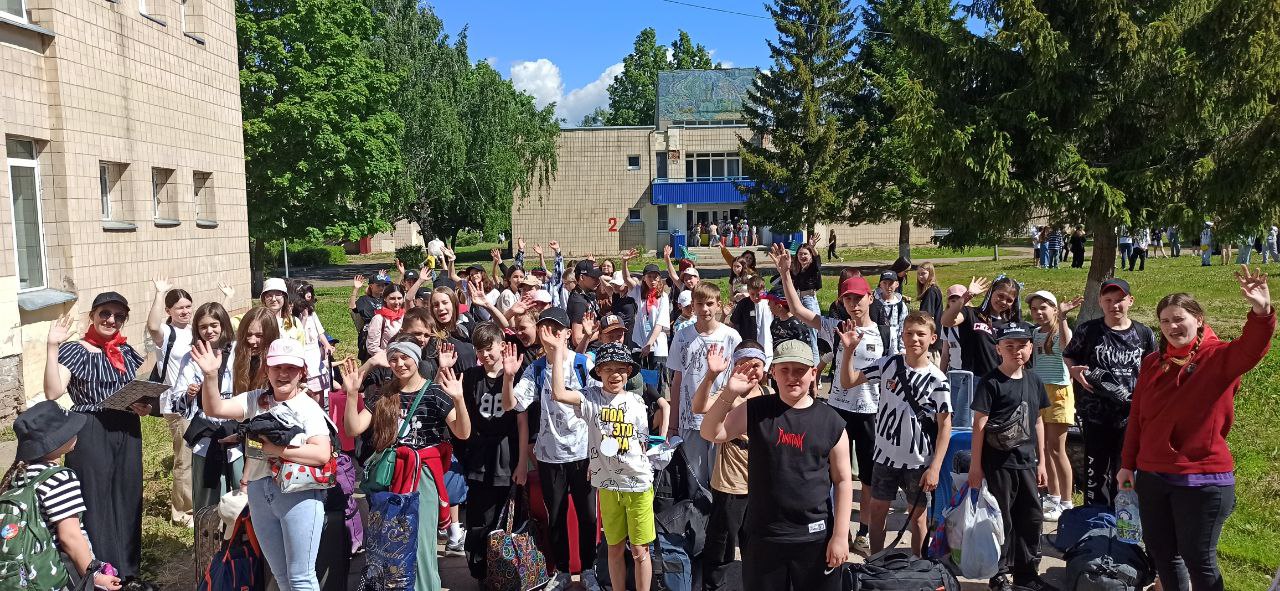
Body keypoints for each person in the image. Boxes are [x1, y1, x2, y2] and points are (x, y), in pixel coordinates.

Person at [1118, 268, 1273, 591]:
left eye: (1179, 319)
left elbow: (1252, 347)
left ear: (1199, 319)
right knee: (1163, 554)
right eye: (1165, 321)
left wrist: (1261, 312)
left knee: (1198, 558)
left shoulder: (1218, 358)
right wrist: (1127, 465)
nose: (1172, 327)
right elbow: (1138, 417)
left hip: (1202, 479)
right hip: (1152, 475)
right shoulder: (1152, 363)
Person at [700, 339, 851, 591]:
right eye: (785, 369)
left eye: (800, 370)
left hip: (814, 536)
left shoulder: (831, 421)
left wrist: (840, 535)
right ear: (773, 372)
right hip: (763, 535)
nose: (792, 377)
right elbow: (710, 432)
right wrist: (729, 392)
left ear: (813, 373)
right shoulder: (756, 409)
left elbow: (843, 480)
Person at [191, 338, 332, 591]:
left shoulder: (307, 407)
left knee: (301, 577)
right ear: (267, 369)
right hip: (259, 492)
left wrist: (275, 450)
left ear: (302, 372)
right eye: (277, 367)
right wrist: (211, 375)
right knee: (281, 575)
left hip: (298, 495)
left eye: (290, 368)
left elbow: (322, 453)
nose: (283, 374)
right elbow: (215, 408)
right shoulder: (256, 400)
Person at [773, 244, 883, 552]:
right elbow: (799, 310)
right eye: (848, 298)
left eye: (858, 298)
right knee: (834, 472)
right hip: (837, 410)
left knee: (868, 477)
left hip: (871, 411)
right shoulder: (837, 327)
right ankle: (837, 528)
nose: (853, 304)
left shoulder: (885, 334)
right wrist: (785, 273)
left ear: (870, 298)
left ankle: (863, 531)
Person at [43, 292, 156, 589]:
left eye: (119, 316)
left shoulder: (124, 350)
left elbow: (133, 390)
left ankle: (128, 572)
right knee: (95, 499)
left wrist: (142, 406)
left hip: (127, 427)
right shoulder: (75, 350)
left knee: (128, 495)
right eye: (105, 313)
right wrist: (52, 346)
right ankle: (100, 572)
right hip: (91, 428)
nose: (111, 320)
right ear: (92, 315)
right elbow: (53, 391)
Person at [342, 337, 471, 588]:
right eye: (393, 359)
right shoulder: (384, 394)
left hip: (423, 476)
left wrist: (459, 399)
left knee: (421, 546)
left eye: (405, 357)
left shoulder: (435, 393)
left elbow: (462, 432)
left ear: (416, 358)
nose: (399, 364)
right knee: (391, 546)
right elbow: (353, 428)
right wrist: (351, 395)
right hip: (391, 476)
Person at [502, 307, 601, 589]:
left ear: (567, 334)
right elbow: (512, 405)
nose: (549, 336)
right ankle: (561, 570)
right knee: (554, 515)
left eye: (555, 330)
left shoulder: (583, 363)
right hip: (549, 455)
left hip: (583, 453)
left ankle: (589, 568)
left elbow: (601, 403)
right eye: (544, 329)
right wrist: (508, 378)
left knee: (587, 515)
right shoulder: (535, 368)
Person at [839, 312, 952, 554]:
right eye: (909, 333)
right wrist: (848, 351)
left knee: (918, 518)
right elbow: (848, 382)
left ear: (933, 338)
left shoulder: (938, 380)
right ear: (902, 336)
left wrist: (935, 467)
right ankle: (876, 562)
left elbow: (945, 426)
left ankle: (919, 565)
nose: (914, 339)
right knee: (877, 512)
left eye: (921, 334)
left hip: (918, 461)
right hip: (884, 457)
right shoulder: (888, 364)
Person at [546, 342, 656, 591]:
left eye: (620, 369)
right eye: (607, 368)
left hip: (638, 485)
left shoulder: (637, 401)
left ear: (629, 371)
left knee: (640, 551)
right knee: (614, 548)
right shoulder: (590, 398)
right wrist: (557, 354)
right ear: (599, 372)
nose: (614, 374)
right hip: (607, 486)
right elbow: (559, 394)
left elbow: (641, 443)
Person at [969, 322, 1054, 591]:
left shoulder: (1034, 380)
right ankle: (999, 573)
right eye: (1009, 346)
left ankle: (1026, 574)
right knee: (1001, 520)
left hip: (1027, 463)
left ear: (1031, 348)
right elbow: (979, 425)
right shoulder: (991, 382)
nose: (1016, 351)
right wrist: (975, 466)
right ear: (998, 349)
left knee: (1031, 518)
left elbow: (1038, 421)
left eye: (1022, 345)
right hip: (998, 464)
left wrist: (1042, 461)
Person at [5, 401, 123, 590]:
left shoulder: (18, 475)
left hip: (29, 572)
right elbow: (70, 537)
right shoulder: (60, 478)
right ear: (54, 440)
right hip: (59, 572)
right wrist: (94, 576)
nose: (76, 431)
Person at [1063, 278, 1156, 508]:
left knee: (1125, 468)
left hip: (1131, 415)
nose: (1114, 305)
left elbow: (1154, 368)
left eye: (1120, 300)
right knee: (1096, 470)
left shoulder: (1143, 333)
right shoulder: (1088, 330)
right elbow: (1069, 355)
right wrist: (1073, 371)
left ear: (1131, 301)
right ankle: (1094, 515)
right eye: (1108, 300)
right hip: (1095, 414)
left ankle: (1124, 514)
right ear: (1100, 302)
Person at [692, 341, 770, 590]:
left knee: (756, 543)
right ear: (734, 367)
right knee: (721, 544)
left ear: (764, 367)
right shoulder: (729, 394)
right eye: (743, 364)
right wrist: (711, 375)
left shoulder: (769, 394)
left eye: (756, 365)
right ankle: (714, 586)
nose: (750, 371)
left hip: (761, 484)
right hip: (730, 484)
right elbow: (698, 407)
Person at [171, 302, 245, 511]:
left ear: (223, 325)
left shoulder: (239, 352)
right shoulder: (191, 357)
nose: (209, 331)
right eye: (203, 327)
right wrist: (189, 394)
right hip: (206, 435)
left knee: (241, 496)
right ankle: (208, 531)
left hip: (237, 433)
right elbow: (177, 402)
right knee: (208, 501)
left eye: (214, 325)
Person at [666, 283, 742, 486]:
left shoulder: (731, 336)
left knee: (720, 478)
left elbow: (738, 377)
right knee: (696, 481)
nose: (705, 309)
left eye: (709, 303)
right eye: (699, 304)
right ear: (693, 305)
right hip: (690, 421)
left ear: (719, 305)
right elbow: (677, 381)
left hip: (722, 419)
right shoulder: (682, 336)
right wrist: (672, 424)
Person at [1025, 291, 1081, 521]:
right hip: (1040, 391)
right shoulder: (1035, 333)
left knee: (1057, 449)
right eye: (1034, 309)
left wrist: (1064, 318)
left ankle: (1067, 502)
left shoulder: (1061, 331)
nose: (1038, 312)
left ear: (1054, 309)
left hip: (1059, 392)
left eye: (1043, 307)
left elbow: (1068, 348)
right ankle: (1054, 496)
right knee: (1045, 448)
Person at [146, 280, 196, 527]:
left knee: (199, 455)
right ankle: (182, 513)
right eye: (179, 308)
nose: (185, 311)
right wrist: (159, 293)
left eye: (188, 306)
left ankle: (199, 503)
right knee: (184, 459)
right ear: (169, 311)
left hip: (200, 402)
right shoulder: (167, 333)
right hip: (178, 405)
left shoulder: (194, 330)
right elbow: (152, 326)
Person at [941, 275, 1023, 378]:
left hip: (998, 380)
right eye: (1000, 295)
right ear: (991, 292)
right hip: (971, 380)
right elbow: (946, 321)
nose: (1003, 301)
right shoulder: (971, 313)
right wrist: (967, 295)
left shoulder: (1010, 325)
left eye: (1009, 300)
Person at [631, 263, 671, 383]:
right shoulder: (639, 293)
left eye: (655, 277)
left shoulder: (663, 297)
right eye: (649, 277)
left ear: (659, 279)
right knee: (641, 381)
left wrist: (649, 344)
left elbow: (660, 323)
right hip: (640, 343)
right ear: (644, 278)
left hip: (657, 345)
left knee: (656, 382)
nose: (652, 280)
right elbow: (627, 279)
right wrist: (624, 262)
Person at [791, 243, 824, 363]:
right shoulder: (799, 270)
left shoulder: (812, 268)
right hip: (800, 300)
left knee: (812, 334)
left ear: (810, 255)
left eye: (805, 254)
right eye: (800, 254)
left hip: (809, 300)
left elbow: (817, 261)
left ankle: (815, 367)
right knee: (802, 333)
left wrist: (813, 248)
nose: (802, 256)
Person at [350, 273, 388, 361]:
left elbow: (397, 291)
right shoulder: (364, 299)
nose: (381, 287)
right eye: (378, 285)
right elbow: (353, 308)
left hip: (384, 332)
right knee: (369, 360)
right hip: (369, 333)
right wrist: (356, 289)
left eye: (383, 285)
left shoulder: (387, 299)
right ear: (371, 286)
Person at [871, 271, 909, 355]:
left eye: (891, 283)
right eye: (884, 283)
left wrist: (902, 349)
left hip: (894, 349)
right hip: (876, 347)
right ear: (880, 284)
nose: (888, 287)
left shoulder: (901, 306)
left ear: (897, 284)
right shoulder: (873, 303)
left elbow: (903, 328)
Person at [260, 277, 305, 342]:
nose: (273, 299)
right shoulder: (258, 321)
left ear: (284, 298)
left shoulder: (294, 322)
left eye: (278, 295)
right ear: (264, 299)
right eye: (269, 295)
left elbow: (301, 346)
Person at [366, 284, 406, 356]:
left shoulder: (405, 316)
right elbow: (372, 347)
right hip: (387, 359)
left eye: (399, 298)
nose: (396, 302)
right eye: (392, 298)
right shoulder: (378, 319)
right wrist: (391, 357)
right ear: (385, 298)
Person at [728, 275, 766, 342]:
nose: (756, 297)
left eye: (758, 294)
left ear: (764, 291)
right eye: (752, 294)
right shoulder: (743, 304)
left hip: (765, 342)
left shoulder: (768, 303)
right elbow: (732, 322)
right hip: (748, 342)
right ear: (748, 291)